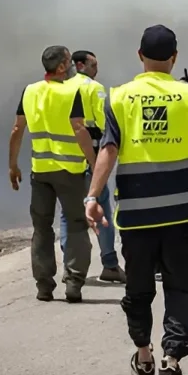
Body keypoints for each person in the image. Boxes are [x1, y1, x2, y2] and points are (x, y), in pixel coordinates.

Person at [85, 25, 188, 375]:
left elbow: (108, 150)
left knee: (139, 286)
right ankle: (172, 361)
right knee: (181, 286)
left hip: (138, 213)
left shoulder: (119, 97)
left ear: (139, 55)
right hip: (182, 212)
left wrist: (92, 197)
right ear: (174, 58)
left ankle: (144, 356)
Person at [7, 45, 96, 303]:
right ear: (60, 67)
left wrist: (12, 165)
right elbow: (79, 129)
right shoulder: (73, 91)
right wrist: (94, 162)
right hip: (70, 171)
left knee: (42, 228)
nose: (72, 66)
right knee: (77, 225)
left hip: (41, 172)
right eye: (69, 62)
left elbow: (17, 129)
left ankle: (44, 286)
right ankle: (74, 283)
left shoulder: (30, 91)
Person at [58, 50, 127, 284]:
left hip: (63, 159)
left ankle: (70, 266)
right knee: (101, 209)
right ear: (80, 65)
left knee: (68, 214)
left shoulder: (61, 87)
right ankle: (109, 264)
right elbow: (104, 123)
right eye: (93, 64)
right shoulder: (93, 88)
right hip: (91, 156)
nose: (97, 69)